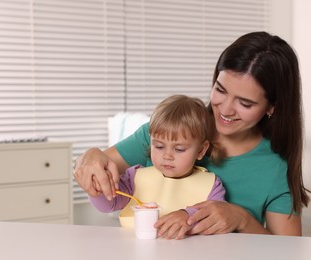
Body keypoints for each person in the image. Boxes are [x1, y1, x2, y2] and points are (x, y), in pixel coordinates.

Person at [74, 31, 311, 236]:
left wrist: (242, 219)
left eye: (245, 103)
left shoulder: (274, 167)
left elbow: (287, 250)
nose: (226, 109)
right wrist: (91, 156)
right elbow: (101, 170)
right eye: (220, 90)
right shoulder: (168, 133)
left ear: (272, 107)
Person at [87, 94, 226, 239]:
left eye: (179, 149)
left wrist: (188, 216)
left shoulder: (211, 185)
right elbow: (108, 204)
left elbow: (215, 220)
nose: (167, 156)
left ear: (201, 150)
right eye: (159, 146)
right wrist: (97, 189)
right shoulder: (136, 177)